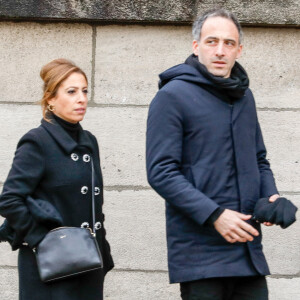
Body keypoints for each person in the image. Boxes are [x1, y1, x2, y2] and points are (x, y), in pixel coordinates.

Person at [146, 9, 280, 300]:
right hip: (200, 256)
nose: (220, 51)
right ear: (196, 46)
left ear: (239, 50)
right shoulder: (171, 96)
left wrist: (271, 198)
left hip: (247, 250)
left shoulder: (244, 97)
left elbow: (258, 159)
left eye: (229, 43)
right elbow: (161, 172)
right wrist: (215, 215)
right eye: (211, 41)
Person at [0, 59, 114, 300]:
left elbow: (94, 205)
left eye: (84, 91)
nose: (81, 98)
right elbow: (10, 200)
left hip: (88, 264)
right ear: (50, 99)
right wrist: (41, 240)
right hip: (51, 268)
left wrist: (101, 252)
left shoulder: (89, 141)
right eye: (71, 92)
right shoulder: (36, 142)